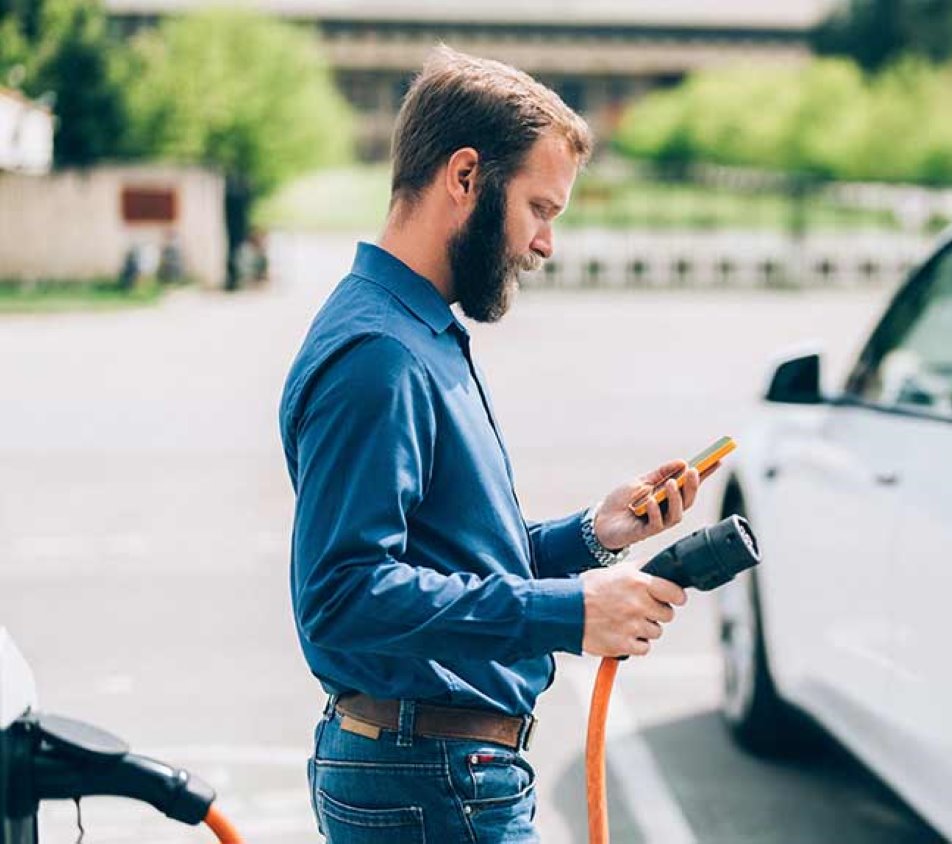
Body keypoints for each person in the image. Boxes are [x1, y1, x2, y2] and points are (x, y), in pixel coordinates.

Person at [278, 46, 703, 843]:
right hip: (431, 781)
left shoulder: (415, 331)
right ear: (465, 177)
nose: (545, 243)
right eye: (540, 208)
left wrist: (590, 538)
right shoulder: (381, 354)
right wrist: (570, 612)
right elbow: (345, 596)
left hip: (434, 772)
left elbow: (438, 563)